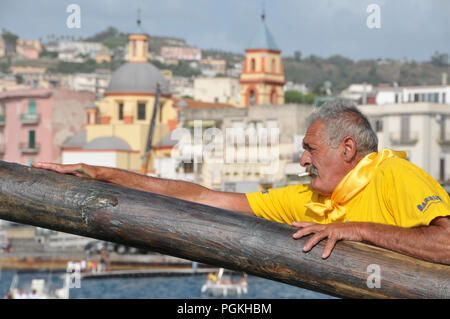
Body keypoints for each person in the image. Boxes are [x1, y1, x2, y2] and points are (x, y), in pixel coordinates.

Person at [31, 100, 450, 265]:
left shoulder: (393, 173)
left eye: (310, 149)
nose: (302, 160)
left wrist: (354, 230)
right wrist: (104, 175)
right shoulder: (308, 200)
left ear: (346, 150)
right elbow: (204, 198)